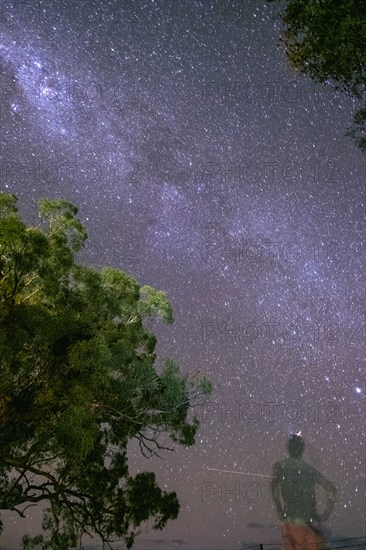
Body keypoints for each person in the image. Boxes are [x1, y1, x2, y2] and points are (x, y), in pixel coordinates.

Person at [271, 434, 337, 550]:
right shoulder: (310, 470)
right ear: (302, 449)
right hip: (313, 525)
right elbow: (332, 489)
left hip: (292, 523)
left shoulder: (280, 466)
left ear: (289, 448)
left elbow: (275, 490)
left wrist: (279, 510)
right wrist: (326, 513)